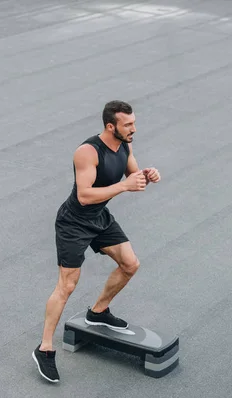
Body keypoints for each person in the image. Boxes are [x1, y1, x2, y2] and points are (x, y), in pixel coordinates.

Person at [32, 100, 161, 383]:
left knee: (130, 264)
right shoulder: (87, 152)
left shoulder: (125, 146)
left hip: (100, 217)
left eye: (134, 123)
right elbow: (84, 195)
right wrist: (125, 186)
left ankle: (98, 311)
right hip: (74, 223)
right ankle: (45, 349)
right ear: (110, 126)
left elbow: (133, 177)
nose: (134, 129)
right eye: (128, 125)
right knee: (67, 285)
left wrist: (147, 175)